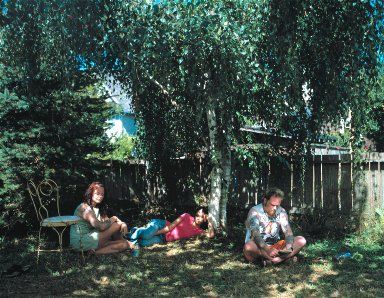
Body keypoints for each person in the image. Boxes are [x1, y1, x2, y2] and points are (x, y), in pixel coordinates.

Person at [243, 187, 306, 266]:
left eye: (278, 205)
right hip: (259, 247)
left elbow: (288, 232)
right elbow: (255, 235)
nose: (275, 208)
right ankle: (284, 259)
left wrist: (289, 247)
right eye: (273, 205)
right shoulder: (255, 211)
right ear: (265, 200)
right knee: (248, 246)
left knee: (301, 240)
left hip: (276, 247)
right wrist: (268, 249)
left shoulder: (281, 211)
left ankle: (274, 261)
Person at [70, 182, 136, 255]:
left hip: (92, 238)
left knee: (125, 244)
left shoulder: (97, 208)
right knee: (116, 225)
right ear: (90, 193)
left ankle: (93, 253)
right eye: (97, 194)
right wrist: (114, 218)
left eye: (102, 194)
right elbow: (101, 227)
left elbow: (107, 222)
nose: (100, 196)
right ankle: (91, 250)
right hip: (81, 241)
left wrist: (122, 223)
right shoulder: (84, 208)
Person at [127, 208, 215, 247]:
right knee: (147, 235)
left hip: (164, 239)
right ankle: (130, 236)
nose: (198, 218)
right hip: (161, 226)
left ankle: (134, 232)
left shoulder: (199, 231)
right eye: (197, 215)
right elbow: (169, 228)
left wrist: (210, 221)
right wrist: (155, 233)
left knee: (143, 243)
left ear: (204, 220)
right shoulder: (186, 216)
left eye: (201, 217)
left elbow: (211, 235)